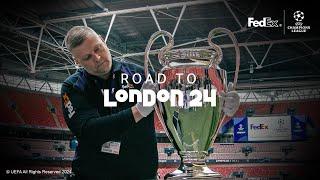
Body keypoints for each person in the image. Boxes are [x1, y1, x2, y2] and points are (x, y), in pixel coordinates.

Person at [61, 26, 158, 179]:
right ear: (77, 61)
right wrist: (139, 110)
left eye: (98, 49)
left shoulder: (142, 75)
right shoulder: (73, 87)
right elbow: (89, 131)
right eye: (87, 57)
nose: (97, 58)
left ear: (102, 39)